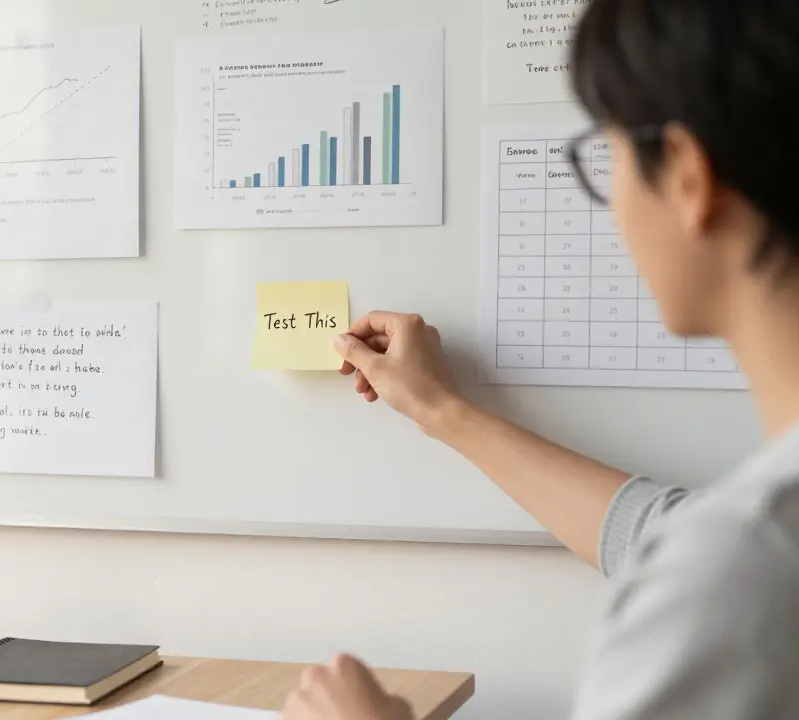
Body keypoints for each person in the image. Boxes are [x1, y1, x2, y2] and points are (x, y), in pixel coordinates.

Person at [280, 0, 799, 718]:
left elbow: (716, 555)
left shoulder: (734, 575)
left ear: (686, 176)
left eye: (606, 159)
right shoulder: (749, 543)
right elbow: (667, 532)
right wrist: (441, 409)